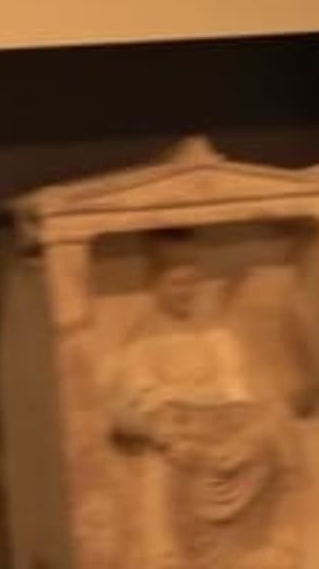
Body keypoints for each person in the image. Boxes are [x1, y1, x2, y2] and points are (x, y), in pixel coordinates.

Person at [102, 233, 303, 569]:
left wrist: (244, 438)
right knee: (164, 474)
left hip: (228, 439)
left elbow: (242, 396)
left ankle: (273, 550)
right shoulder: (139, 343)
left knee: (273, 442)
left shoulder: (218, 335)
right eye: (176, 283)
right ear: (154, 284)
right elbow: (117, 412)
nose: (186, 291)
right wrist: (159, 432)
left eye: (192, 282)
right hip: (178, 445)